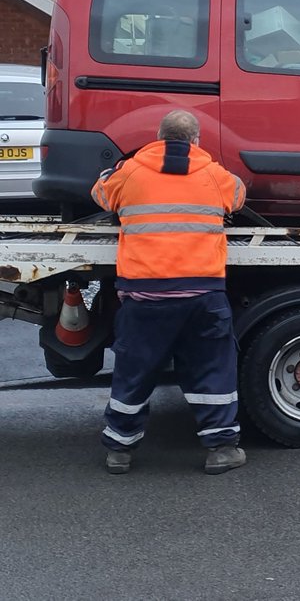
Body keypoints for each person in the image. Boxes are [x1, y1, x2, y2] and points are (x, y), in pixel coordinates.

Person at [91, 109, 247, 475]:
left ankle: (120, 451)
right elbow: (238, 196)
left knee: (134, 371)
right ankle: (221, 449)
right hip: (202, 294)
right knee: (212, 369)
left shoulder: (130, 172)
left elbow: (99, 192)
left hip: (146, 295)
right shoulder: (214, 175)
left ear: (158, 138)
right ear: (196, 142)